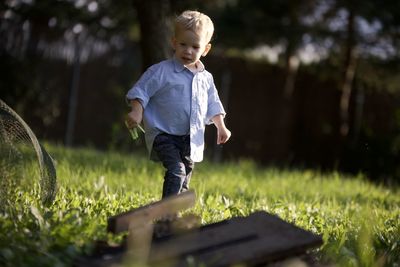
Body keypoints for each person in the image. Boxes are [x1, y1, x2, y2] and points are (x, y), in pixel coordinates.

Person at [126, 10, 231, 199]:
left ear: (205, 49)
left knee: (184, 178)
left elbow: (213, 103)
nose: (188, 51)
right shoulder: (161, 71)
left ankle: (174, 214)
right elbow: (141, 91)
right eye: (183, 44)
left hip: (191, 139)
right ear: (174, 42)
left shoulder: (206, 79)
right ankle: (166, 213)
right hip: (163, 134)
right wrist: (136, 111)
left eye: (195, 46)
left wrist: (221, 126)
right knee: (177, 170)